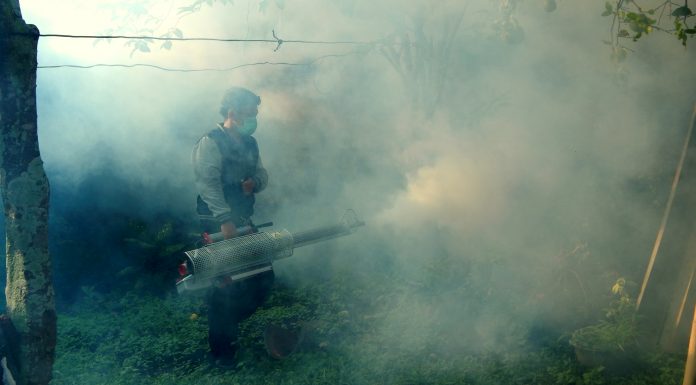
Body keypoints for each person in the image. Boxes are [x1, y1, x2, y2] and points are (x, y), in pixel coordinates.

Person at [192, 87, 274, 367]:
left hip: (244, 222)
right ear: (233, 113)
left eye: (256, 113)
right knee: (224, 286)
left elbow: (262, 174)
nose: (255, 117)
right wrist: (225, 221)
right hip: (217, 224)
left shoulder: (251, 143)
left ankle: (227, 326)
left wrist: (256, 184)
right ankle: (221, 354)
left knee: (263, 278)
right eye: (251, 112)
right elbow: (207, 185)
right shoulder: (210, 141)